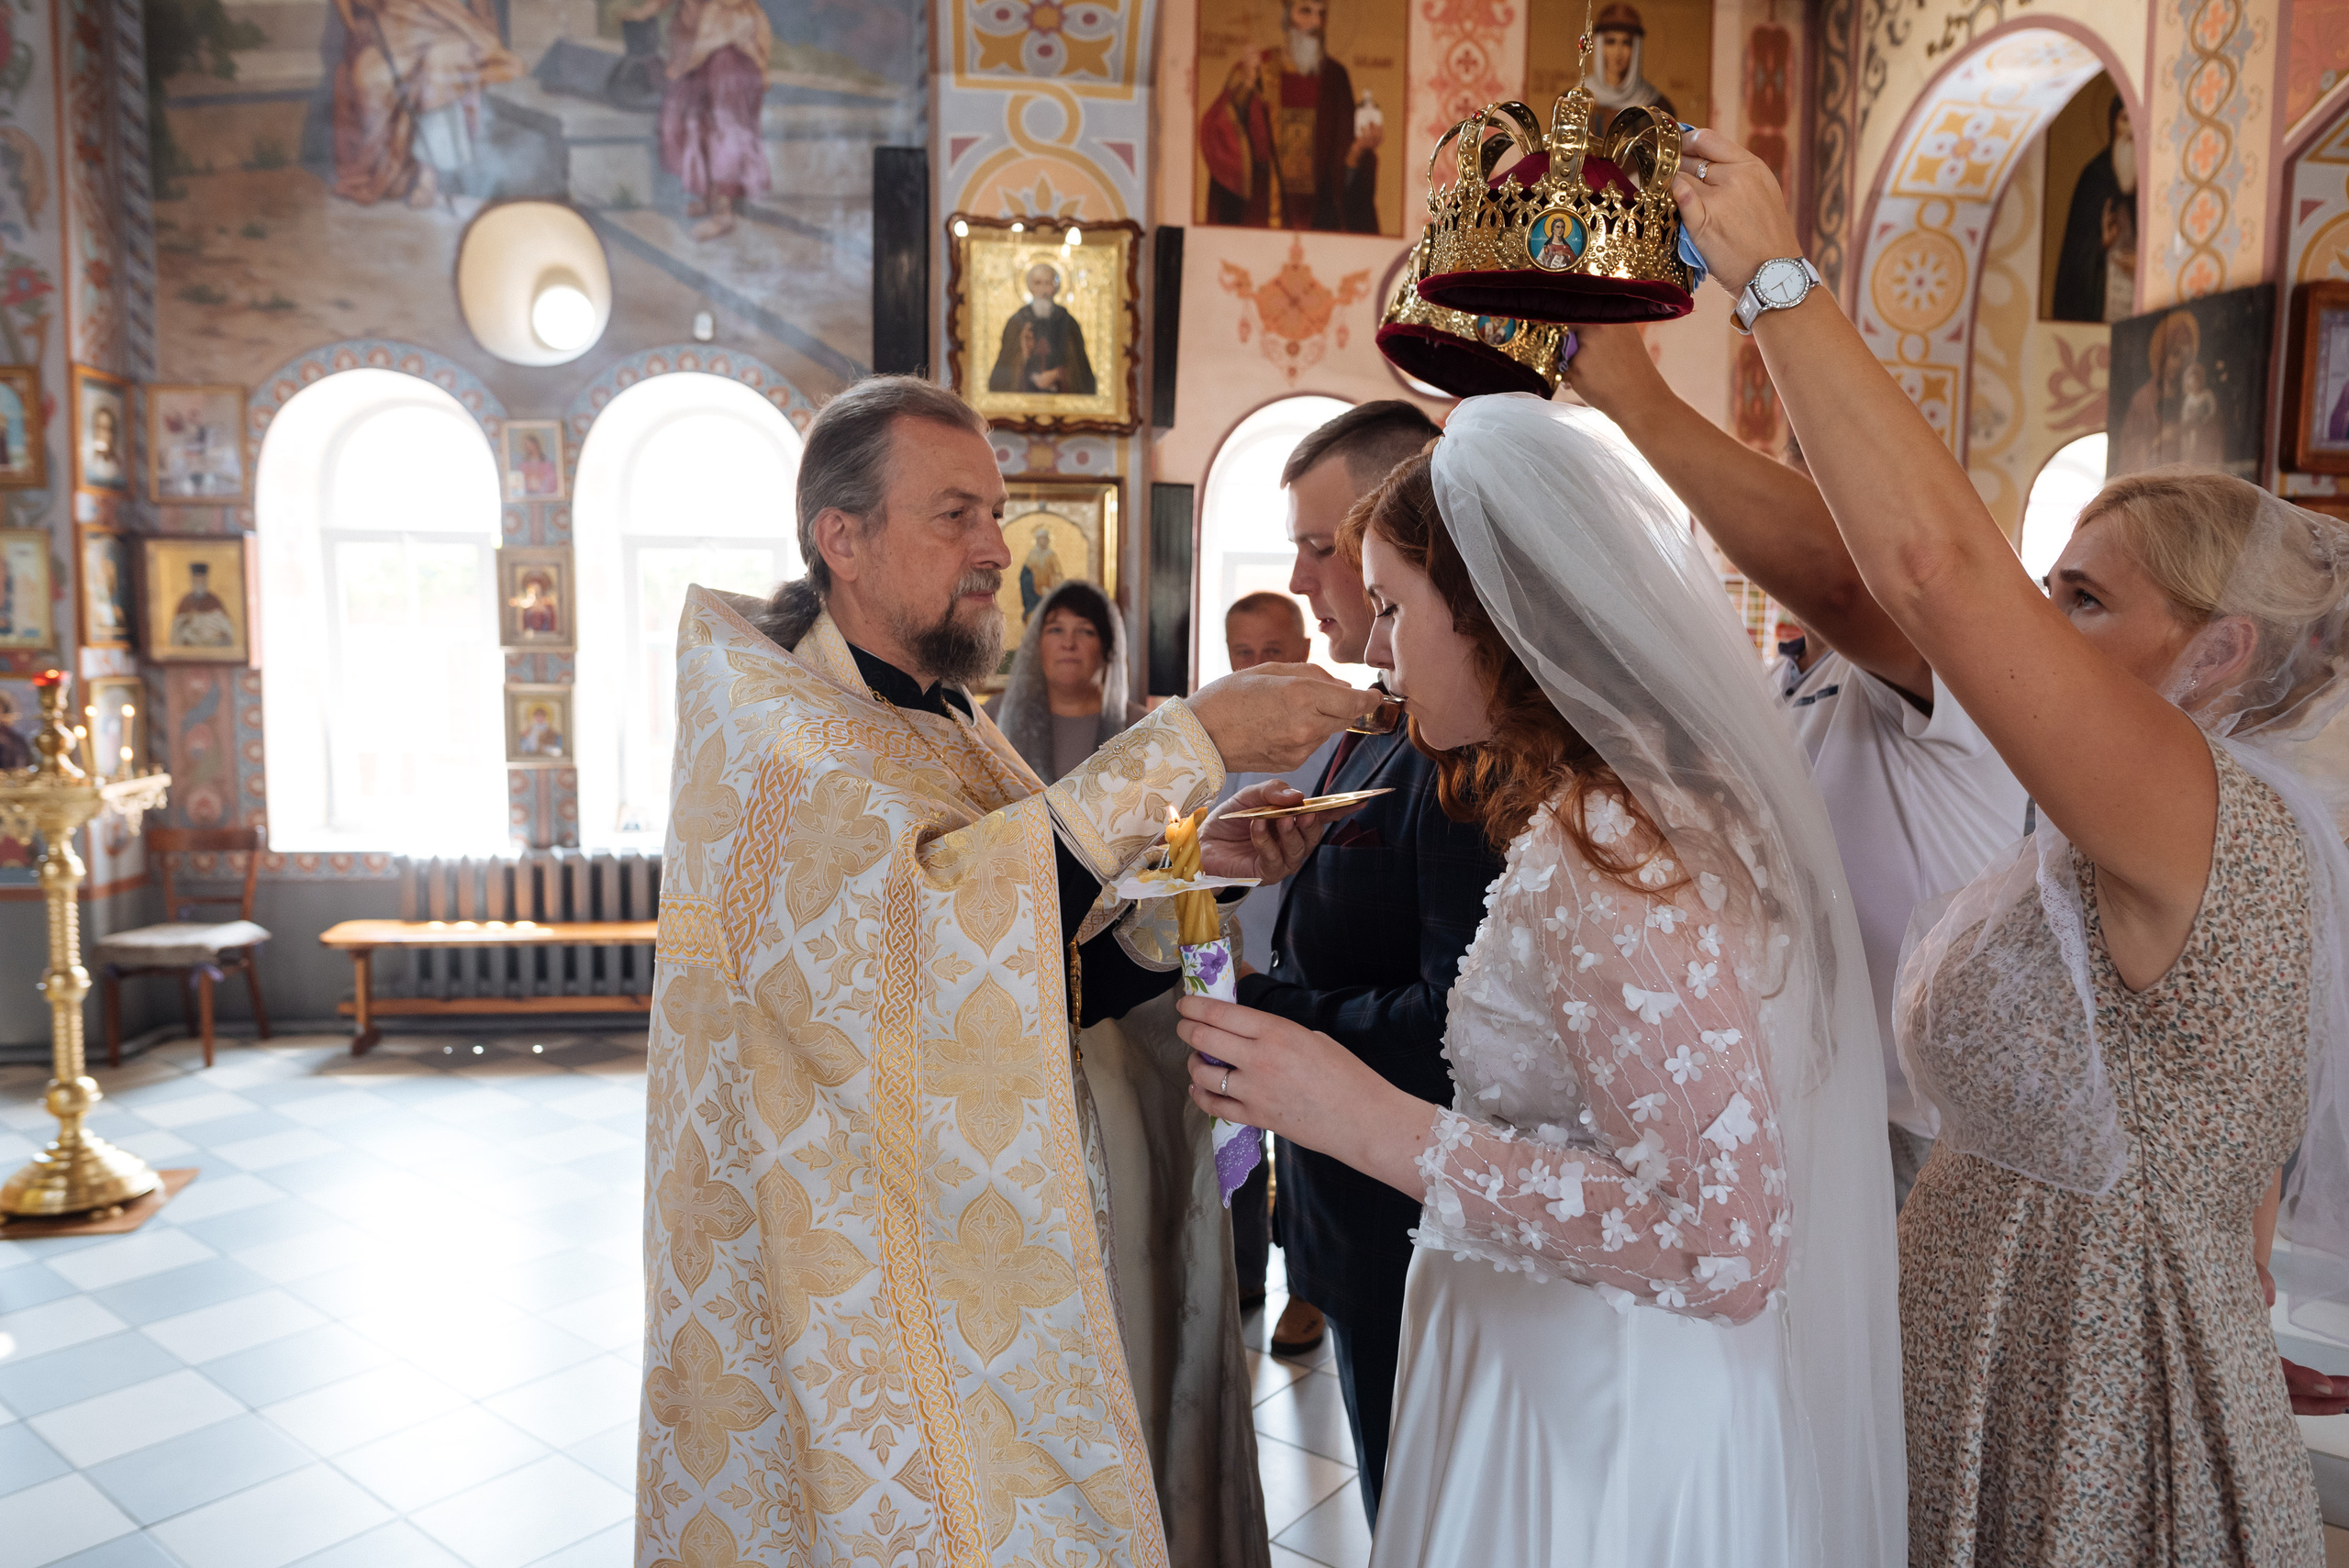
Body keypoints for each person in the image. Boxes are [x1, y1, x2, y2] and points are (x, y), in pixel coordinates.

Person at [1675, 123, 2346, 1564]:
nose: (2040, 630)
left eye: (2084, 602)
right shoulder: (2132, 810)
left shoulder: (2200, 806)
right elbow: (1870, 578)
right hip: (1995, 1333)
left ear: (2220, 650)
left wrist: (1777, 281)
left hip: (2092, 1374)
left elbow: (1926, 573)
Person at [638, 374, 1379, 1566]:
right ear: (843, 537)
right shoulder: (778, 739)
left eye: (994, 511)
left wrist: (1202, 866)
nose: (997, 548)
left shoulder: (938, 719)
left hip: (986, 1248)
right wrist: (1193, 743)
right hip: (864, 1293)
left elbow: (1040, 945)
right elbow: (926, 941)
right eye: (956, 515)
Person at [1175, 395, 1906, 1564]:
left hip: (1599, 1410)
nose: (1374, 644)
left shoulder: (1616, 849)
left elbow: (1722, 1242)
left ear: (1488, 614)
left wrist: (1368, 1116)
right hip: (1543, 1350)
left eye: (1392, 604)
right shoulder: (1615, 807)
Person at [1561, 323, 2028, 1206]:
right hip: (1812, 1093)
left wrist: (1638, 399)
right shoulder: (1784, 677)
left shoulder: (1961, 664)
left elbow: (1844, 581)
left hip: (1925, 1125)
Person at [1241, 399, 1507, 1524]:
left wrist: (1279, 1014)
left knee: (1418, 1502)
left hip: (1412, 1223)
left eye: (1318, 547)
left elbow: (1461, 1020)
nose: (1303, 583)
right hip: (1342, 1205)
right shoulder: (1369, 717)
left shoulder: (1457, 750)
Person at [1215, 589, 1326, 1322]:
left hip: (1310, 958)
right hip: (1235, 953)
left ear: (1306, 653)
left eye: (1275, 651)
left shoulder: (1336, 742)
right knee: (1239, 1114)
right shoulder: (1209, 740)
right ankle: (1244, 1269)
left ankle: (1309, 1289)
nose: (1259, 668)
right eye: (1244, 654)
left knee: (1312, 1124)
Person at [1198, 0, 1382, 233]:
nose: (1316, 23)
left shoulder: (1335, 77)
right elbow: (1217, 135)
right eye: (1305, 11)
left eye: (1322, 14)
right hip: (1261, 217)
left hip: (1320, 221)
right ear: (1286, 16)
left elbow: (1341, 168)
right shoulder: (1256, 69)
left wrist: (1357, 153)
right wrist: (1245, 87)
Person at [329, 0, 522, 207]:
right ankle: (393, 170)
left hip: (450, 27)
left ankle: (429, 175)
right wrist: (356, 21)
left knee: (438, 67)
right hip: (397, 31)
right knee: (370, 78)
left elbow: (480, 11)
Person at [985, 579, 1145, 783]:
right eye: (1056, 630)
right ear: (1037, 644)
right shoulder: (995, 717)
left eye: (1085, 631)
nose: (1068, 643)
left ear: (1107, 648)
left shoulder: (1141, 726)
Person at [2050, 97, 2137, 325]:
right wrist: (2102, 244)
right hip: (2104, 291)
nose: (2131, 131)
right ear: (2113, 124)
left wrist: (2144, 262)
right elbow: (2076, 252)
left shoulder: (2154, 179)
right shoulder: (2094, 178)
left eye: (2138, 121)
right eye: (2126, 120)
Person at [989, 263, 1098, 396]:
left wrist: (1059, 374)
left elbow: (1083, 374)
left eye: (1048, 283)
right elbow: (1001, 376)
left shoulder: (1068, 323)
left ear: (1056, 287)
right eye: (1038, 283)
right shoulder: (1016, 323)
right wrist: (1023, 355)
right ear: (1029, 287)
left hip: (1062, 404)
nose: (1043, 290)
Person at [1590, 4, 1673, 126]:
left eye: (1626, 43)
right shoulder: (1577, 102)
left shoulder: (1659, 107)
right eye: (1611, 42)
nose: (1618, 52)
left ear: (1636, 50)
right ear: (1599, 46)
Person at [170, 563, 236, 648]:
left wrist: (222, 633)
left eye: (202, 581)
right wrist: (187, 619)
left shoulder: (214, 600)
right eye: (197, 581)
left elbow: (227, 628)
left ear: (206, 581)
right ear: (192, 581)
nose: (199, 584)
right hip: (190, 649)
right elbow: (176, 628)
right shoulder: (185, 601)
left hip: (212, 648)